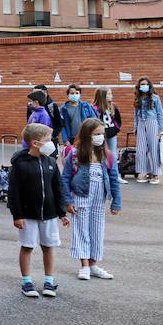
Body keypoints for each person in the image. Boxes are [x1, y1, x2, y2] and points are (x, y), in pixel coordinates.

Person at [7, 123, 70, 298]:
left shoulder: (51, 162)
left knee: (48, 246)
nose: (51, 143)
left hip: (49, 215)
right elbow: (14, 192)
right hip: (28, 216)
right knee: (27, 247)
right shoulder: (20, 165)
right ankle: (26, 281)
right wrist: (17, 215)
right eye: (48, 140)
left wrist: (62, 212)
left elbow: (58, 187)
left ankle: (49, 280)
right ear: (35, 143)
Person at [62, 118, 120, 282]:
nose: (100, 137)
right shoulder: (75, 153)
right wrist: (67, 201)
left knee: (97, 230)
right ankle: (84, 265)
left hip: (99, 198)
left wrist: (116, 201)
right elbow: (65, 178)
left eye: (102, 133)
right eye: (96, 134)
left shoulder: (107, 155)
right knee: (81, 231)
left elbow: (114, 178)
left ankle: (93, 265)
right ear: (87, 135)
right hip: (80, 196)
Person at [133, 77, 163, 184]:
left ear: (150, 86)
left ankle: (155, 174)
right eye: (142, 84)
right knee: (141, 149)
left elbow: (160, 113)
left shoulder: (155, 98)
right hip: (141, 124)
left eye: (146, 84)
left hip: (153, 123)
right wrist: (135, 127)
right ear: (139, 86)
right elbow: (135, 115)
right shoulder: (137, 98)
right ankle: (143, 172)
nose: (144, 86)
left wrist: (162, 129)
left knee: (154, 148)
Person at [93, 88, 124, 186]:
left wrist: (116, 129)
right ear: (102, 96)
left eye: (111, 94)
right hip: (101, 136)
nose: (111, 96)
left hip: (112, 135)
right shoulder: (95, 108)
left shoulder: (113, 106)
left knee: (113, 155)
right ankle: (102, 174)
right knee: (100, 154)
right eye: (108, 94)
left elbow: (118, 120)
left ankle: (115, 176)